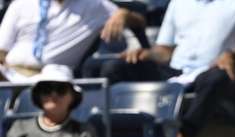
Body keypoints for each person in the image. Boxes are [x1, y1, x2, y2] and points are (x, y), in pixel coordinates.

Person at [86, 0, 235, 137]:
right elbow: (164, 51)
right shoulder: (179, 2)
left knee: (217, 77)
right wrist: (146, 54)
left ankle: (184, 135)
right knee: (115, 68)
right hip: (176, 70)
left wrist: (231, 55)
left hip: (217, 70)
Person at [0, 0, 145, 81]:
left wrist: (123, 14)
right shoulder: (21, 4)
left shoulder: (95, 5)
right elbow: (1, 50)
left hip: (52, 78)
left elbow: (140, 22)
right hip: (9, 72)